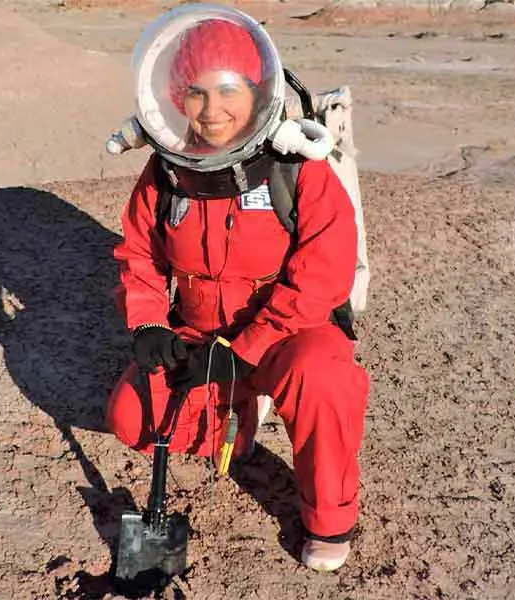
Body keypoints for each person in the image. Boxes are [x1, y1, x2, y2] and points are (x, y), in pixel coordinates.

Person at [105, 5, 370, 573]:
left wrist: (241, 353)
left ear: (257, 90)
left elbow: (321, 276)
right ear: (177, 97)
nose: (212, 109)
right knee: (133, 419)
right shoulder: (168, 171)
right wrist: (149, 323)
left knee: (324, 378)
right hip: (199, 331)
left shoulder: (296, 168)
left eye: (228, 90)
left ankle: (330, 519)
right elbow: (140, 253)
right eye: (196, 92)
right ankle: (238, 417)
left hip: (285, 337)